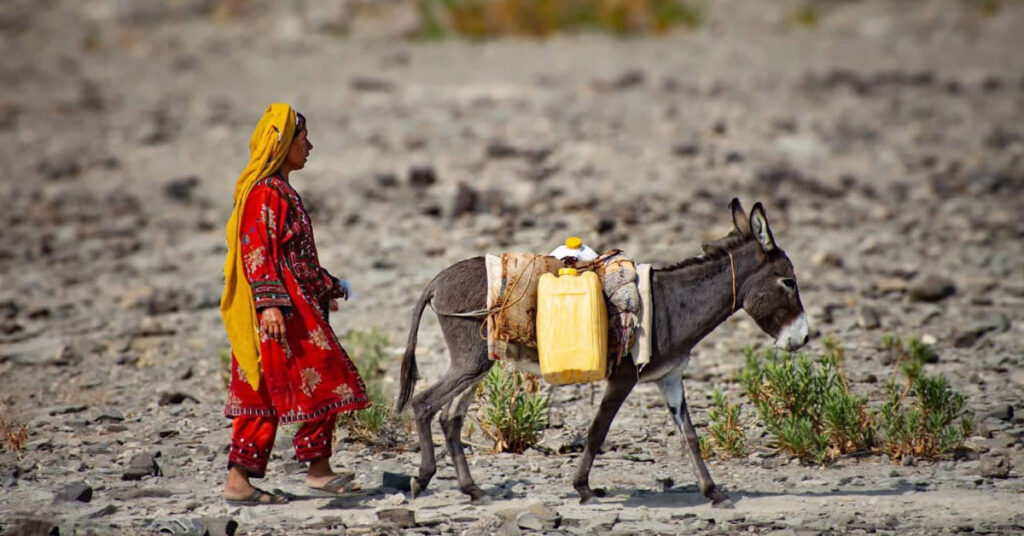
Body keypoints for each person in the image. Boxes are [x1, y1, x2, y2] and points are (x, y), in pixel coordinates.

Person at [219, 103, 370, 505]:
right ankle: (249, 480)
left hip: (297, 309)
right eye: (304, 140)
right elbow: (258, 253)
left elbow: (296, 259)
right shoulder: (265, 194)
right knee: (303, 381)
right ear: (284, 144)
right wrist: (269, 305)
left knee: (291, 386)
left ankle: (313, 470)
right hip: (277, 315)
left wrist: (327, 288)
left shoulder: (283, 192)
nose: (310, 146)